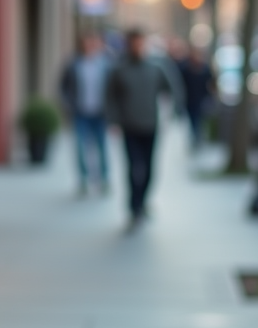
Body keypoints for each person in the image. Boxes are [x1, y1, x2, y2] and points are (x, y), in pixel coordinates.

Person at [105, 28, 180, 227]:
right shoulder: (119, 70)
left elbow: (172, 88)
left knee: (149, 168)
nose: (137, 47)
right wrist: (113, 120)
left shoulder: (156, 68)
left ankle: (143, 200)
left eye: (140, 43)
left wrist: (175, 110)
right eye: (134, 43)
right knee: (132, 167)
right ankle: (134, 206)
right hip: (129, 126)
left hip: (151, 125)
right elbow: (110, 97)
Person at [59, 32, 111, 195]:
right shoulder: (74, 64)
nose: (89, 47)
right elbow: (63, 87)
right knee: (81, 148)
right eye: (86, 43)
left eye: (92, 43)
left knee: (102, 148)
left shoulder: (105, 65)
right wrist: (68, 106)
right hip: (80, 113)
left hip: (100, 114)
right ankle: (83, 180)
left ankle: (103, 179)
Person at [177, 45, 215, 146]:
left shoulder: (205, 69)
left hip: (201, 99)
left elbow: (211, 83)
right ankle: (196, 136)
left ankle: (198, 137)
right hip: (190, 100)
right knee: (193, 119)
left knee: (199, 119)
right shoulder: (185, 69)